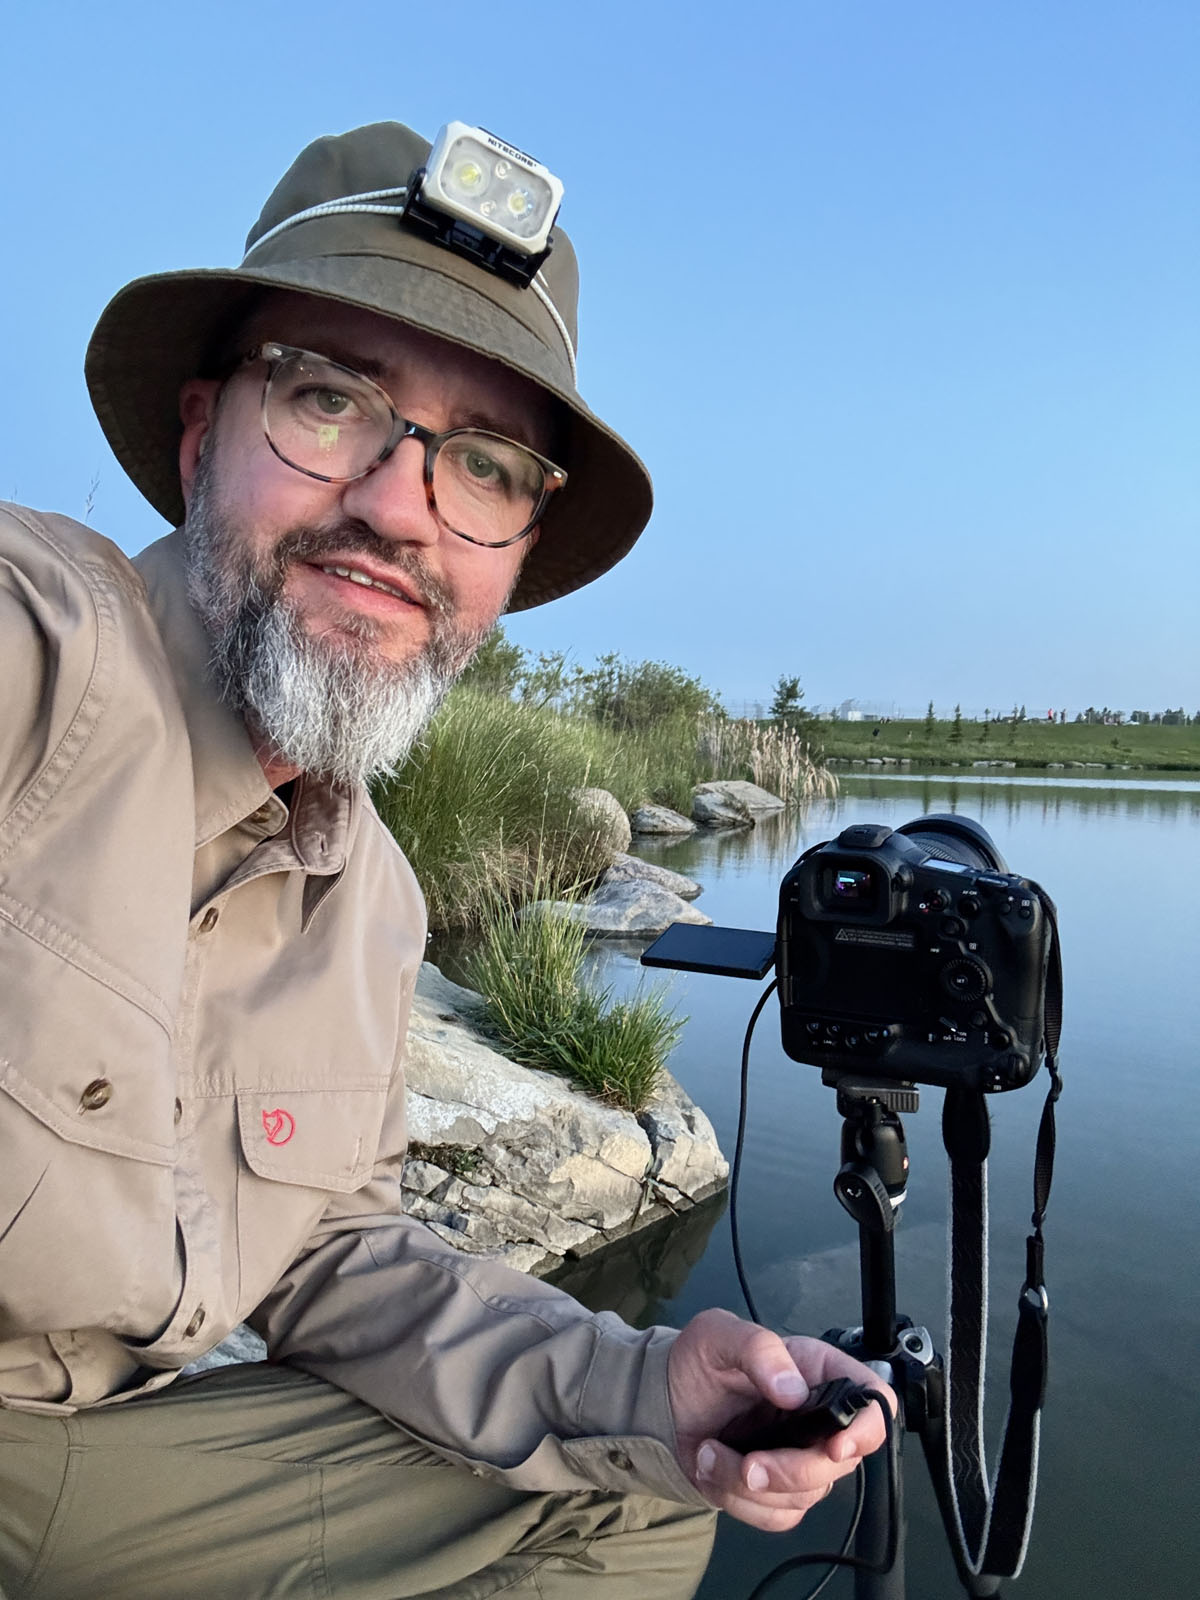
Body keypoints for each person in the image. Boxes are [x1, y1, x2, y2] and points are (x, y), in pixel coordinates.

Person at [0, 119, 892, 1599]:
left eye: (483, 466)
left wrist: (646, 1381)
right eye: (329, 398)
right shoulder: (44, 662)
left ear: (514, 559)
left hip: (89, 1458)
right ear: (198, 433)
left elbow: (328, 1251)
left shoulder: (371, 896)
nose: (400, 506)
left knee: (651, 1488)